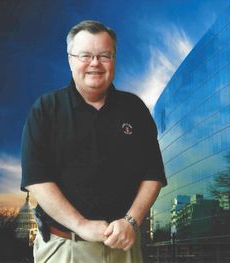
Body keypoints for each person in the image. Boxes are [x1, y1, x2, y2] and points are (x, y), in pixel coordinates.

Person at [21, 20, 167, 263]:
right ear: (70, 60)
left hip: (125, 248)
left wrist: (131, 221)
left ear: (114, 60)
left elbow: (153, 174)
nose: (95, 63)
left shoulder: (135, 109)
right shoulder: (45, 110)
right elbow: (37, 180)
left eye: (104, 55)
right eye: (85, 55)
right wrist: (81, 225)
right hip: (64, 248)